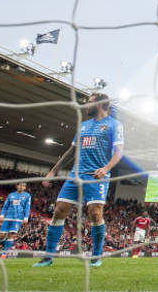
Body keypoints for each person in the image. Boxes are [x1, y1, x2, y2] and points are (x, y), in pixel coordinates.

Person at [33, 93, 124, 268]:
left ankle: (96, 256)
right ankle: (48, 256)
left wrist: (105, 169)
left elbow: (119, 152)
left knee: (95, 214)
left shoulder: (114, 125)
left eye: (89, 102)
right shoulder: (83, 126)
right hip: (75, 175)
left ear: (99, 105)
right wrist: (52, 171)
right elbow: (71, 151)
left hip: (96, 176)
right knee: (59, 211)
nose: (85, 105)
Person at [0, 182, 31, 259]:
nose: (22, 187)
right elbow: (5, 206)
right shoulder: (11, 195)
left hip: (18, 218)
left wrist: (26, 217)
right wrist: (2, 215)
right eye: (21, 185)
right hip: (8, 217)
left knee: (11, 234)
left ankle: (4, 254)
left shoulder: (27, 196)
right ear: (17, 186)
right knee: (1, 235)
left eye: (24, 186)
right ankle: (7, 245)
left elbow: (27, 207)